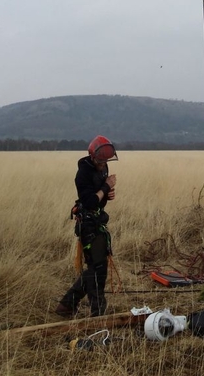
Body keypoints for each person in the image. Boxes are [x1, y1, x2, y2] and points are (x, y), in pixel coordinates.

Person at [55, 135, 118, 318]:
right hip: (88, 225)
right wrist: (106, 188)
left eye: (106, 160)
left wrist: (107, 195)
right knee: (98, 269)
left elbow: (99, 199)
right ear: (92, 156)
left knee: (96, 267)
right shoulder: (83, 173)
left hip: (98, 222)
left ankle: (67, 306)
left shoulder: (103, 167)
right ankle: (98, 314)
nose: (103, 163)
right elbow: (90, 201)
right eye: (100, 160)